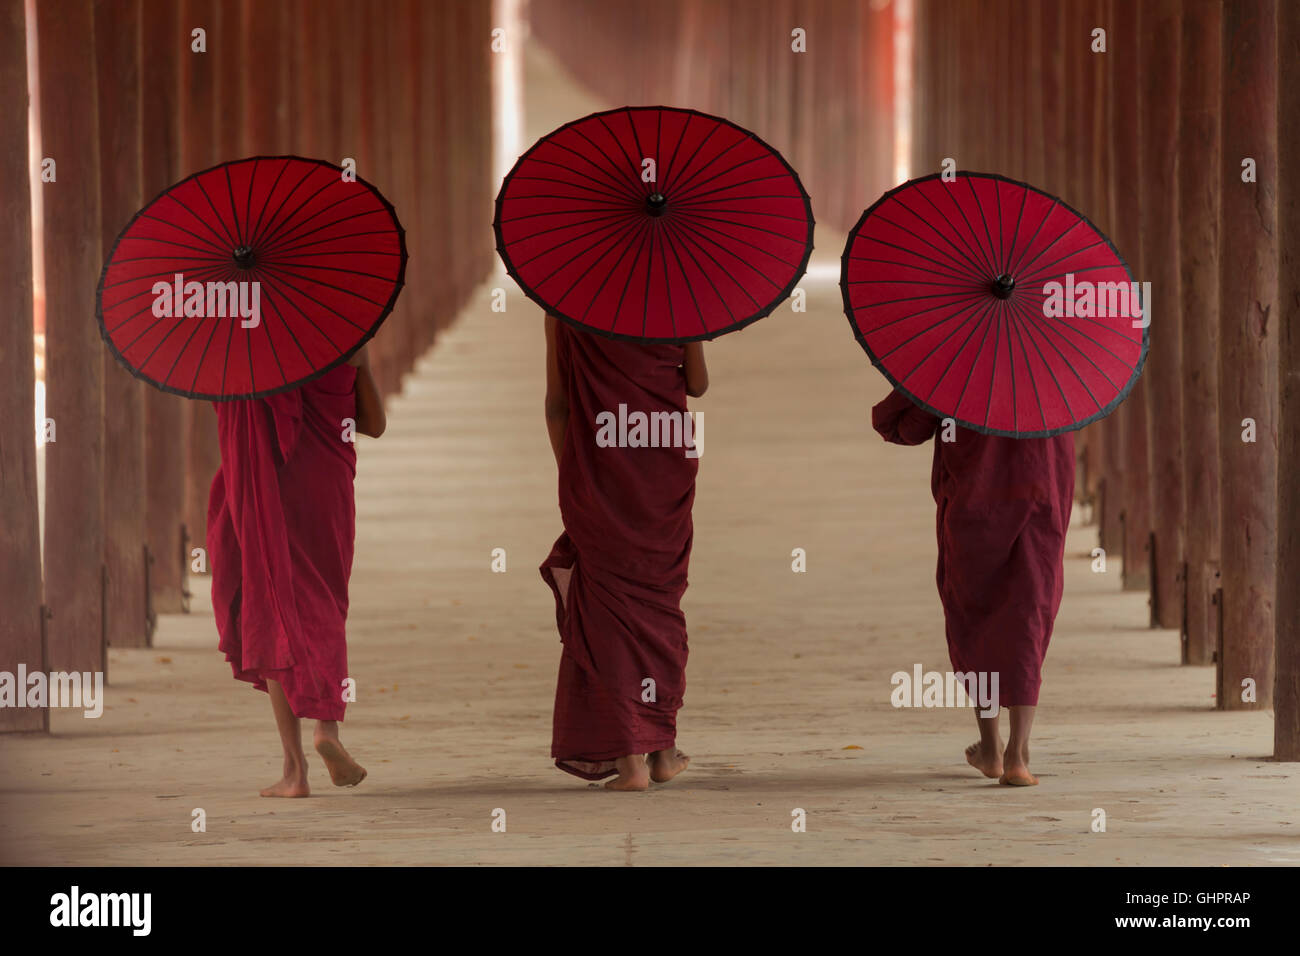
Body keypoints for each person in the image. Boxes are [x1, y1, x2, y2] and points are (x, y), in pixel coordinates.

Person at [207, 346, 386, 797]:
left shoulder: (241, 350)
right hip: (327, 484)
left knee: (269, 600)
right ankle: (327, 728)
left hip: (266, 481)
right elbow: (374, 424)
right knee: (325, 601)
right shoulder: (344, 337)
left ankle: (294, 769)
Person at [872, 388, 1074, 786]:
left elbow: (899, 427)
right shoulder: (1058, 369)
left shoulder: (961, 367)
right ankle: (1019, 751)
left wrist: (926, 387)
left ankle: (991, 745)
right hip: (1041, 497)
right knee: (1028, 615)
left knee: (975, 617)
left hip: (974, 504)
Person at [540, 314, 708, 791]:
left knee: (608, 605)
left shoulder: (564, 305)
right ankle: (663, 751)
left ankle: (631, 759)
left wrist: (574, 471)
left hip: (596, 467)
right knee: (660, 601)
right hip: (663, 468)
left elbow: (558, 405)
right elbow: (697, 384)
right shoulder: (677, 296)